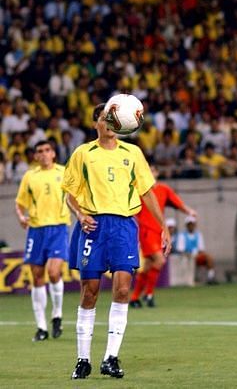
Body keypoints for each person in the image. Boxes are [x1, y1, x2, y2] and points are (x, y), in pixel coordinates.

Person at [63, 103, 171, 379]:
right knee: (90, 291)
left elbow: (147, 192)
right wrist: (79, 213)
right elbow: (70, 193)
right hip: (93, 226)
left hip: (124, 226)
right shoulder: (83, 153)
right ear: (96, 123)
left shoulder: (132, 153)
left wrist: (163, 226)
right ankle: (82, 358)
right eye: (103, 118)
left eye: (112, 117)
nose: (109, 122)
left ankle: (111, 357)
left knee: (123, 289)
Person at [15, 140, 69, 342]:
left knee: (54, 272)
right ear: (36, 156)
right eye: (40, 152)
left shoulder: (64, 172)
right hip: (36, 230)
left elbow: (75, 196)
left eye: (47, 150)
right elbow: (20, 203)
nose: (44, 154)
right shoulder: (30, 176)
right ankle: (41, 327)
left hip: (58, 227)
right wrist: (21, 217)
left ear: (53, 153)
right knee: (37, 277)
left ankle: (57, 314)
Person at [129, 165, 196, 308]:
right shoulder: (140, 191)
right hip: (146, 231)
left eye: (153, 170)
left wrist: (188, 211)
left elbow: (177, 203)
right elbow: (131, 209)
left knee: (147, 266)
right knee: (160, 260)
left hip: (158, 231)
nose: (151, 173)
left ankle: (134, 298)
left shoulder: (164, 189)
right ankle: (149, 294)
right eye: (148, 171)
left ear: (157, 173)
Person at [175, 215, 218, 285]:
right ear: (186, 225)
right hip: (187, 256)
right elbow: (180, 250)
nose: (191, 226)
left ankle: (211, 277)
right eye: (189, 224)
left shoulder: (198, 235)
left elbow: (201, 249)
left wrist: (198, 254)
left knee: (209, 258)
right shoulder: (182, 235)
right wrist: (190, 254)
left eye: (192, 224)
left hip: (197, 256)